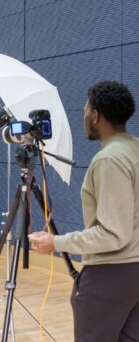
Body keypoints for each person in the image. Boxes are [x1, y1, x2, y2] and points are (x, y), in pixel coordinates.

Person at [28, 81, 139, 341]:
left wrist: (56, 242)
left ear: (97, 115)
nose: (84, 116)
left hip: (109, 274)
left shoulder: (109, 159)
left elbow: (113, 234)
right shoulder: (134, 149)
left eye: (86, 110)